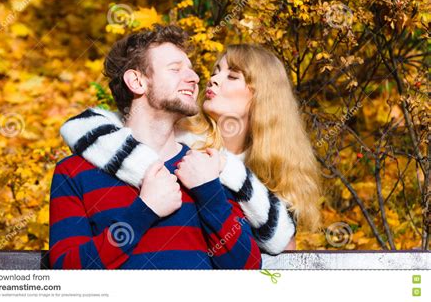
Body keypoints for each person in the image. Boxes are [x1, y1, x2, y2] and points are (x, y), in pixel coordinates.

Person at [60, 44, 320, 257]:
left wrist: (227, 170)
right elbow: (89, 130)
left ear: (262, 95)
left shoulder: (270, 167)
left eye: (231, 76)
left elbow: (280, 243)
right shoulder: (180, 140)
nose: (212, 79)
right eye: (216, 71)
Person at [49, 25, 262, 269]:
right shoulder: (75, 172)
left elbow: (248, 271)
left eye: (191, 70)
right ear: (137, 81)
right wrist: (143, 211)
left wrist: (209, 194)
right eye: (175, 69)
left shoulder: (206, 167)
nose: (194, 78)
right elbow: (67, 273)